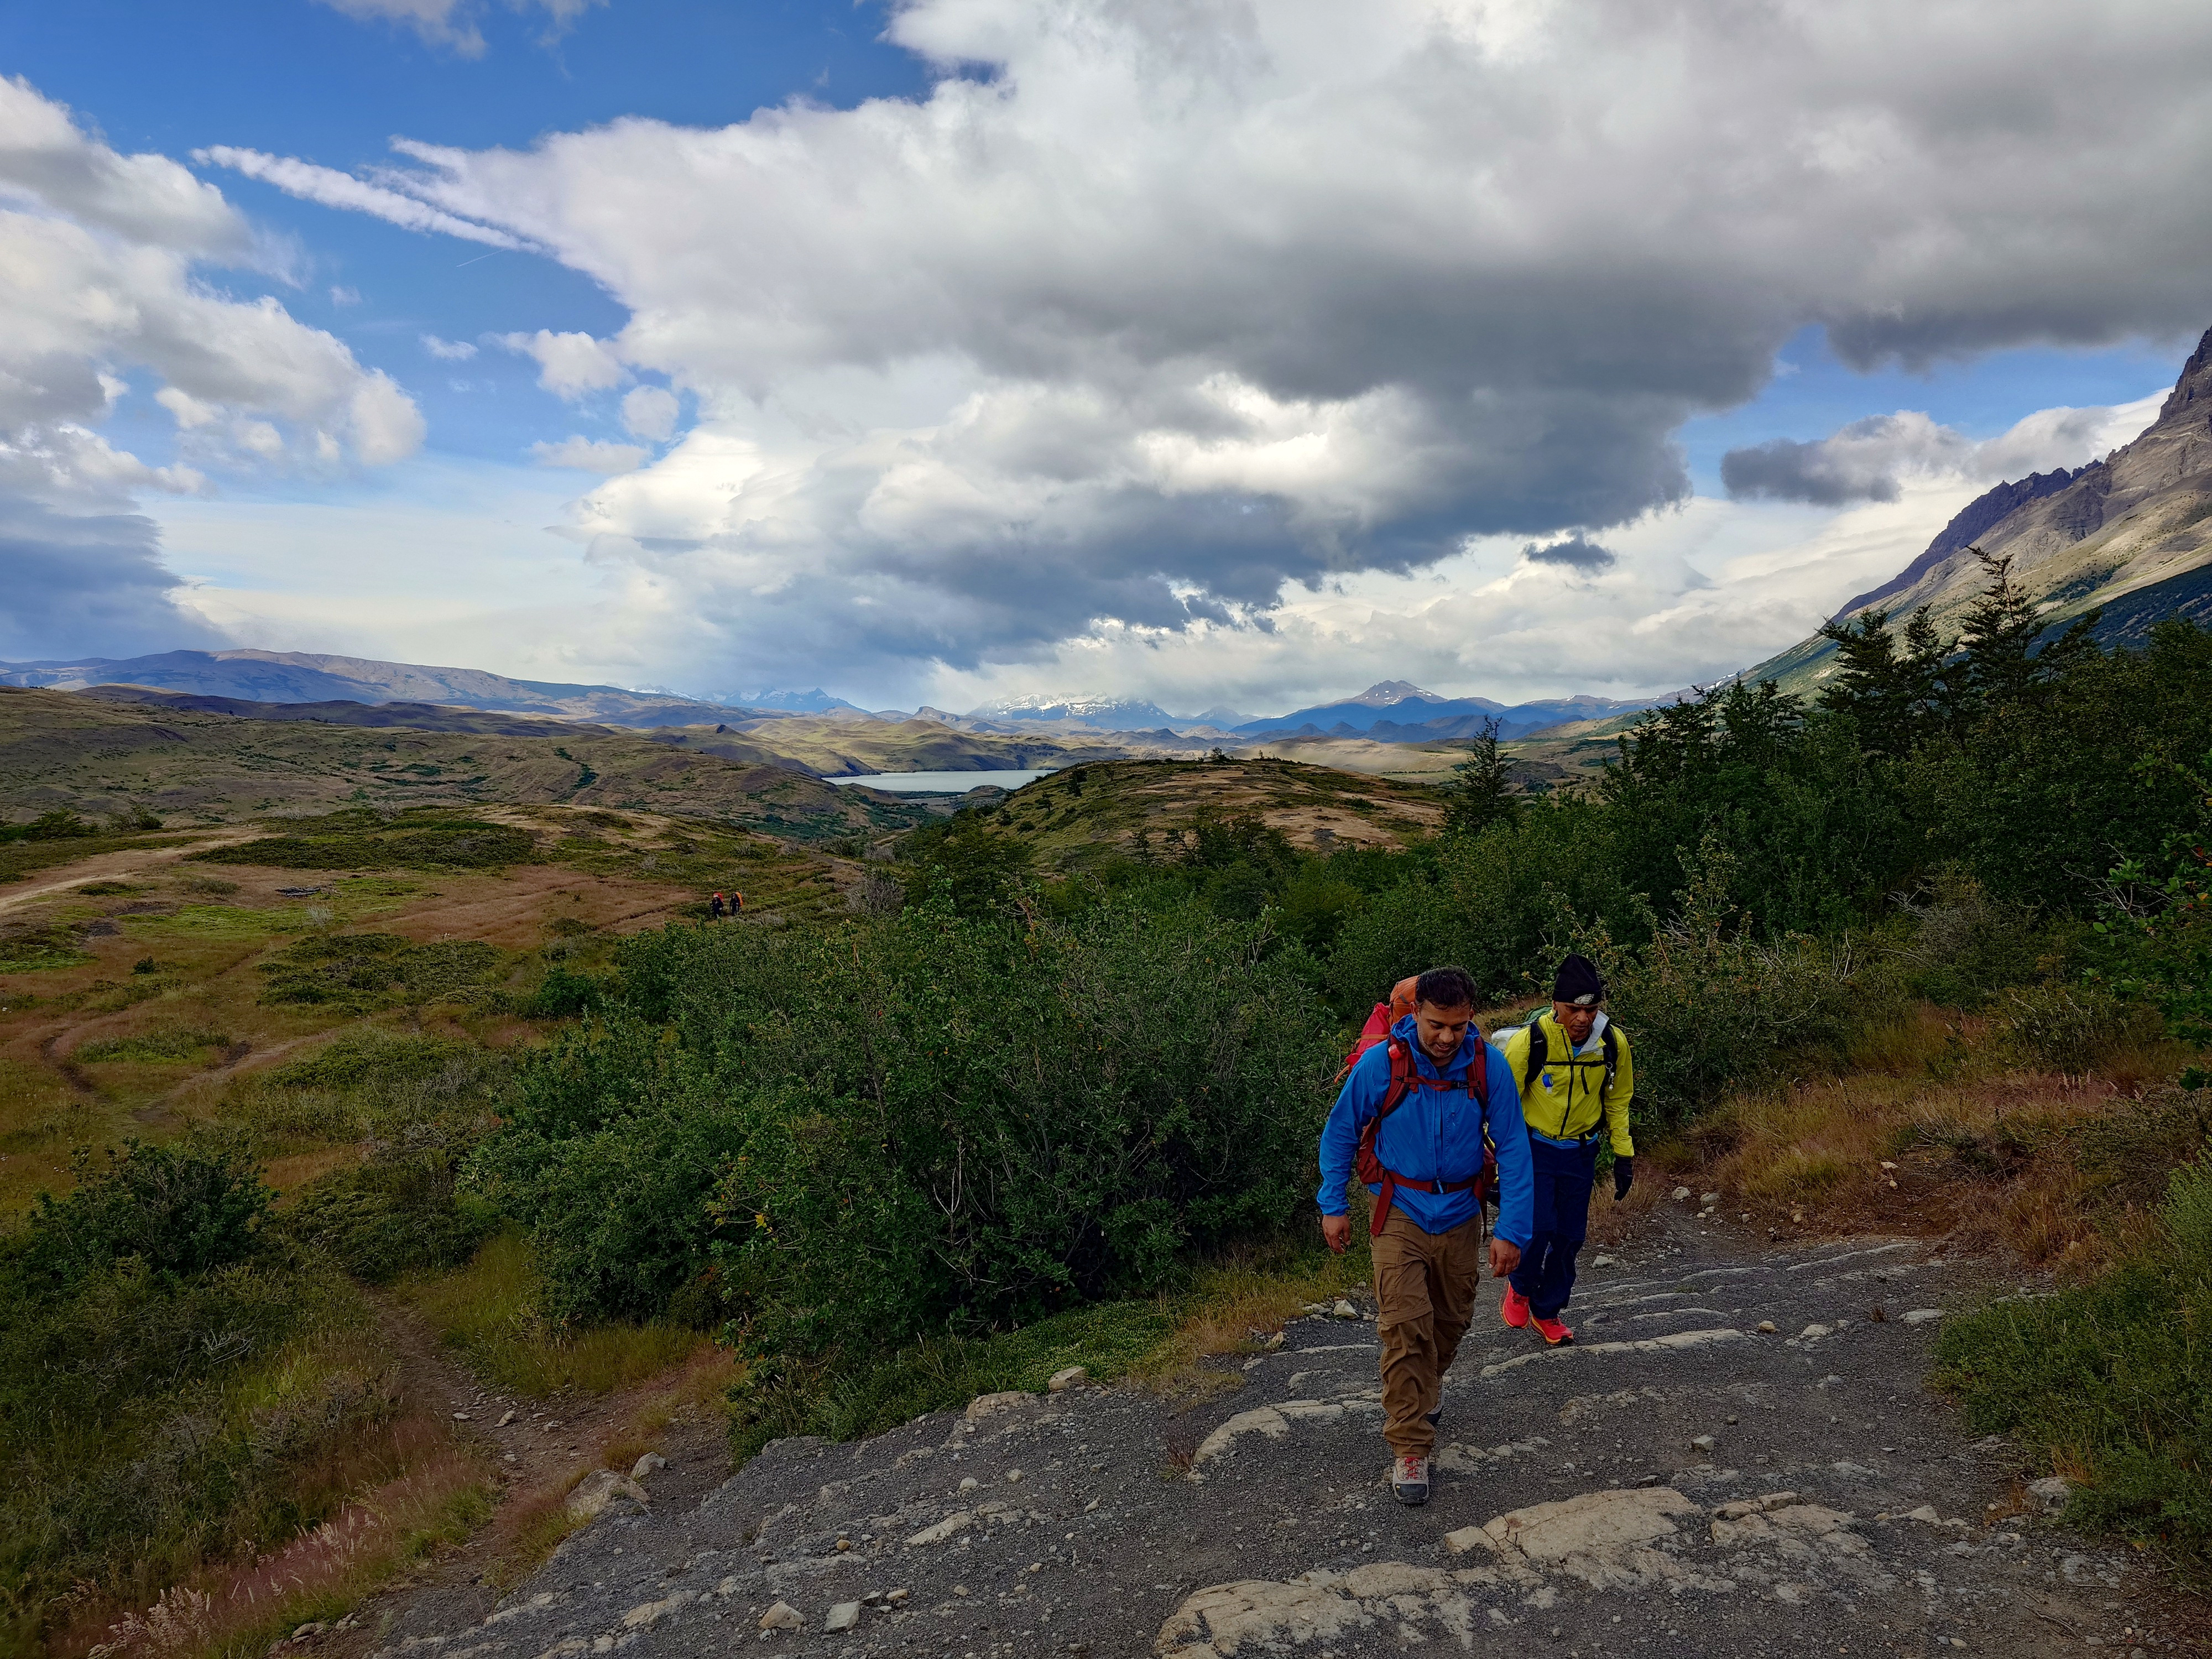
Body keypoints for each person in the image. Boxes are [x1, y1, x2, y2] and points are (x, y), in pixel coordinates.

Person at [1318, 966, 1534, 1506]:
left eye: (1458, 1027)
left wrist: (1512, 1228)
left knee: (1453, 1318)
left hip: (1462, 1212)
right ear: (1415, 1016)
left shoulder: (1486, 1066)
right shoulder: (1380, 1065)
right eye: (1436, 1025)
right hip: (1399, 1212)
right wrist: (1332, 1205)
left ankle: (1422, 1385)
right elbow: (1340, 1132)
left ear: (1470, 1021)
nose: (1445, 1037)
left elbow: (1512, 1145)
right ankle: (1410, 1445)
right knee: (1404, 1326)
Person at [1493, 953, 1636, 1347]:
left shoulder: (1611, 1042)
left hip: (1581, 1152)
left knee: (1570, 1237)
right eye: (1574, 1009)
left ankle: (1547, 1310)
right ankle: (1520, 1287)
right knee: (1536, 1229)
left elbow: (1618, 1099)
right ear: (1556, 1004)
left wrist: (1624, 1156)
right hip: (1534, 1150)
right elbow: (1501, 1108)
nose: (1583, 1019)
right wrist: (1494, 1166)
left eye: (1591, 1010)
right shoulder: (1530, 1042)